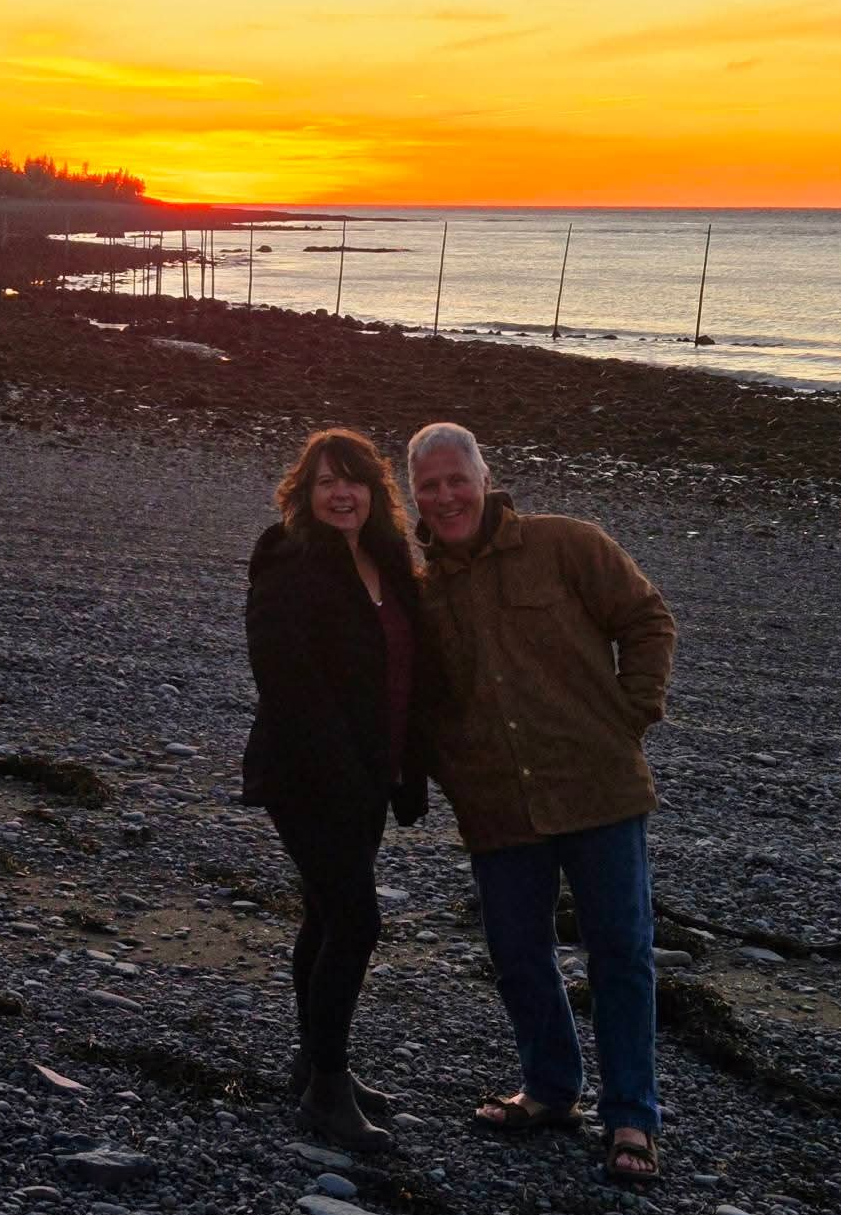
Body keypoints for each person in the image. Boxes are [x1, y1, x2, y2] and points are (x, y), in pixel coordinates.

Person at [407, 422, 676, 1183]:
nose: (446, 495)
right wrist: (449, 772)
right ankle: (551, 1087)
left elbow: (647, 619)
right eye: (429, 485)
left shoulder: (566, 544)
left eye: (457, 477)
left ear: (484, 476)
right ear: (414, 496)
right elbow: (419, 702)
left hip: (598, 789)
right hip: (497, 806)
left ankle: (631, 1117)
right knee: (518, 956)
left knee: (620, 954)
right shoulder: (424, 593)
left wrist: (632, 713)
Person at [243, 428, 427, 1152]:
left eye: (354, 479)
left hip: (368, 778)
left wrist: (404, 771)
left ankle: (313, 1065)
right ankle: (326, 1088)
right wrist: (345, 773)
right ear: (304, 492)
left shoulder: (385, 559)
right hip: (307, 777)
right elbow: (285, 680)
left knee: (323, 918)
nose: (340, 493)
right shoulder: (289, 559)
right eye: (325, 481)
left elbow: (407, 677)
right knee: (356, 923)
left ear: (375, 491)